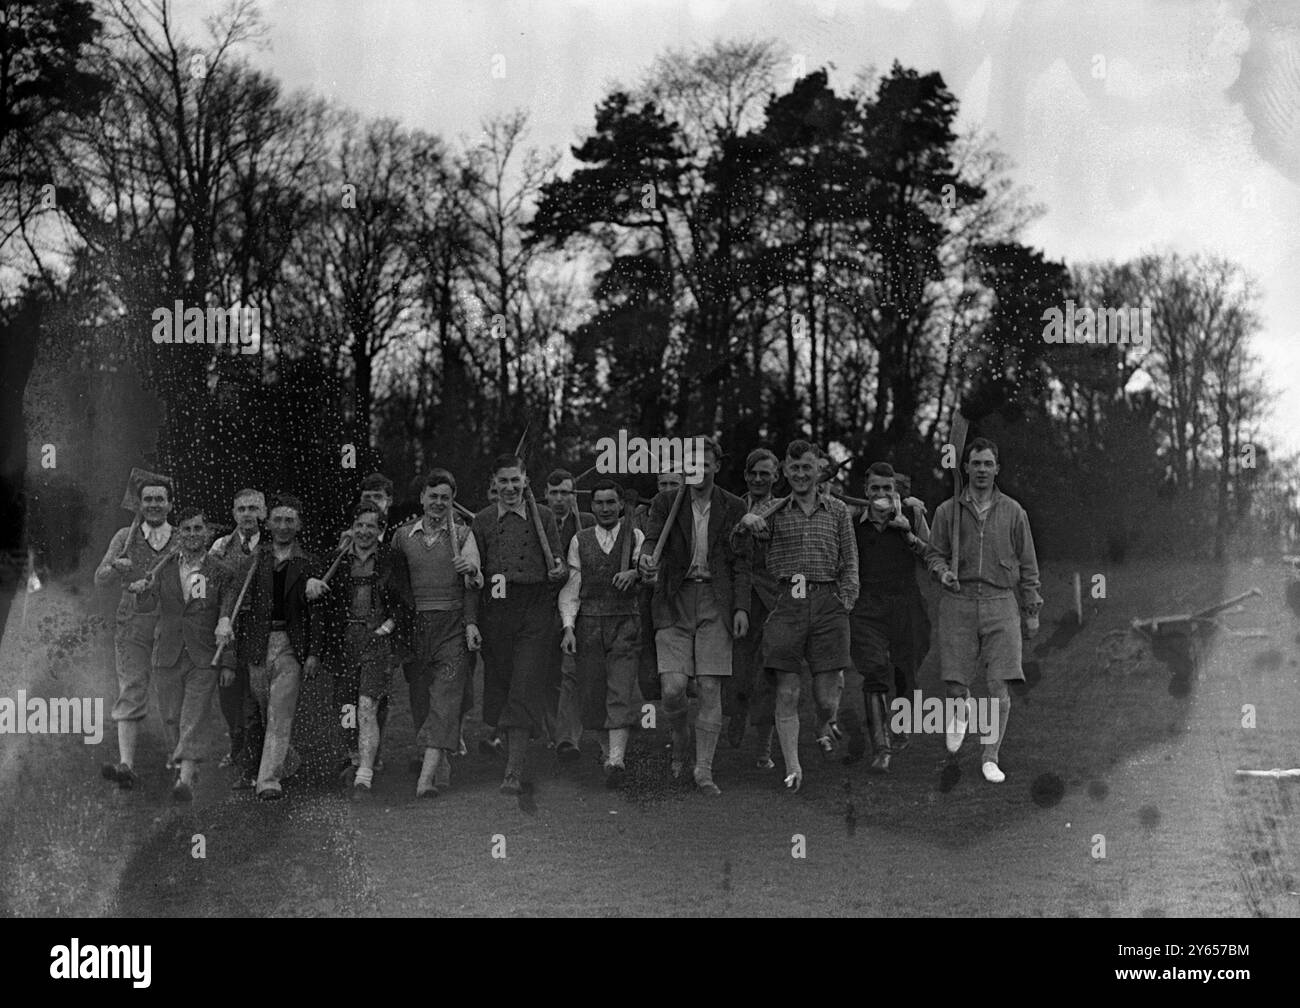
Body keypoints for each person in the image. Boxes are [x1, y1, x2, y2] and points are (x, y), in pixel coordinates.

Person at [735, 440, 858, 792]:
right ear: (785, 472)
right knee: (786, 692)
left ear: (818, 470)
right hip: (787, 603)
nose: (801, 475)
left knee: (825, 698)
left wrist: (846, 600)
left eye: (807, 468)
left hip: (827, 601)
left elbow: (850, 561)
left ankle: (824, 723)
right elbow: (739, 546)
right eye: (794, 469)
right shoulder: (773, 510)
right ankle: (793, 767)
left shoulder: (836, 510)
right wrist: (746, 523)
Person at [924, 437, 1042, 784]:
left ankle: (990, 756)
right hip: (958, 603)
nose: (982, 470)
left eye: (988, 464)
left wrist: (1031, 608)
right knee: (956, 685)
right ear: (966, 468)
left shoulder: (1014, 512)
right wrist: (942, 571)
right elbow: (934, 554)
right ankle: (963, 709)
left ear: (997, 469)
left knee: (999, 685)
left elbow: (1029, 564)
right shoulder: (948, 511)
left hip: (1001, 601)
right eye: (976, 464)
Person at [639, 437, 750, 795]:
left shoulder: (732, 506)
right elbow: (651, 539)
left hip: (716, 601)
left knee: (709, 686)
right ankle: (679, 734)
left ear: (716, 466)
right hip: (674, 598)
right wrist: (645, 558)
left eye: (705, 464)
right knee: (672, 689)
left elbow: (742, 563)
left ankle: (703, 770)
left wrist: (741, 608)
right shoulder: (666, 501)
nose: (697, 470)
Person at [472, 454, 567, 794]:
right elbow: (475, 579)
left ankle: (514, 771)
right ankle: (513, 738)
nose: (510, 487)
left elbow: (558, 562)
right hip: (497, 611)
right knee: (504, 685)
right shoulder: (482, 522)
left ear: (526, 481)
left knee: (525, 682)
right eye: (503, 481)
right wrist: (473, 621)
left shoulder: (542, 516)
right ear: (493, 484)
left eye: (516, 480)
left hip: (536, 610)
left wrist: (559, 571)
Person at [219, 495, 322, 801]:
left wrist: (314, 652)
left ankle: (268, 780)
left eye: (290, 520)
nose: (283, 526)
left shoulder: (308, 562)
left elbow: (316, 615)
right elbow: (234, 593)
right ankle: (283, 758)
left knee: (280, 709)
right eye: (277, 519)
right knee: (265, 710)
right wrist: (225, 620)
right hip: (258, 643)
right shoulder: (256, 559)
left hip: (291, 645)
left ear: (299, 524)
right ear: (268, 522)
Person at [389, 471, 483, 798]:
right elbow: (393, 584)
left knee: (445, 696)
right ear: (422, 499)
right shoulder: (402, 536)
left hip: (452, 627)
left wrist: (471, 569)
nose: (439, 503)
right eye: (433, 496)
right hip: (415, 628)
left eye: (446, 497)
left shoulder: (464, 534)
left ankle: (425, 778)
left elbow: (474, 579)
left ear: (453, 501)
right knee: (420, 696)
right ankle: (437, 757)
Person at [558, 479, 645, 787]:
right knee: (592, 694)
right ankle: (609, 756)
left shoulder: (635, 535)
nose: (606, 508)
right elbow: (572, 588)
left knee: (620, 689)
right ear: (591, 506)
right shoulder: (580, 540)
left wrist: (634, 572)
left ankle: (617, 759)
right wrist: (568, 628)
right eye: (600, 503)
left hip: (625, 621)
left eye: (611, 502)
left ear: (621, 504)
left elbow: (648, 572)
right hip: (589, 625)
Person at [848, 462, 930, 772]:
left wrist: (907, 533)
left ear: (896, 492)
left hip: (906, 605)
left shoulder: (912, 515)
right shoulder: (855, 525)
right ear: (866, 492)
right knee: (874, 670)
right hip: (867, 607)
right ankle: (881, 748)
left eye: (887, 488)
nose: (881, 494)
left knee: (905, 670)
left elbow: (932, 555)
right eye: (875, 489)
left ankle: (900, 725)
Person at [94, 478, 175, 789]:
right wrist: (117, 566)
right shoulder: (124, 537)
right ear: (139, 504)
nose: (153, 504)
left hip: (170, 624)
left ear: (169, 505)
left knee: (171, 691)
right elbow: (100, 579)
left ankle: (178, 762)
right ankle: (126, 764)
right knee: (131, 689)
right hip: (132, 623)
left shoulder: (181, 538)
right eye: (148, 499)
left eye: (160, 499)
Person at [150, 507, 235, 801]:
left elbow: (229, 612)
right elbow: (146, 604)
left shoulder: (221, 572)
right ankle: (181, 763)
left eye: (198, 529)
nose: (192, 534)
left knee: (193, 714)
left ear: (207, 533)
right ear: (178, 533)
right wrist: (137, 586)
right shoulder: (163, 567)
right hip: (168, 652)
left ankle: (185, 777)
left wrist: (227, 658)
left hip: (204, 654)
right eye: (186, 529)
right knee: (171, 715)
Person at [321, 503, 401, 796]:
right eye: (360, 525)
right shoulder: (338, 560)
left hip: (377, 639)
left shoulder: (390, 560)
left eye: (371, 526)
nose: (365, 531)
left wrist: (385, 630)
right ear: (351, 528)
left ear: (380, 530)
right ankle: (353, 757)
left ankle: (364, 775)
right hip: (345, 640)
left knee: (368, 705)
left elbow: (404, 603)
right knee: (346, 706)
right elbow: (323, 600)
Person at [727, 448, 779, 768]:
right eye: (753, 473)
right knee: (738, 670)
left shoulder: (785, 509)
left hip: (774, 599)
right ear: (746, 476)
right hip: (738, 598)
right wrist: (740, 526)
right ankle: (736, 715)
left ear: (776, 477)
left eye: (766, 473)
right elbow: (726, 550)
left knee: (769, 674)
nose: (759, 479)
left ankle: (764, 746)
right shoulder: (734, 507)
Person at [210, 488, 266, 771]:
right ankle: (236, 741)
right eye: (242, 508)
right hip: (228, 625)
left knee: (255, 693)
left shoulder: (269, 546)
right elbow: (213, 591)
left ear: (263, 513)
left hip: (260, 627)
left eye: (254, 508)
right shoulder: (221, 547)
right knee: (228, 689)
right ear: (233, 513)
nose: (248, 514)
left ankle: (252, 751)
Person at [545, 468, 595, 760]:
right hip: (542, 609)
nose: (560, 499)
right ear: (545, 495)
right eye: (554, 493)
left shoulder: (587, 523)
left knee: (571, 672)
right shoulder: (538, 521)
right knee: (547, 673)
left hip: (579, 608)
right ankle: (555, 731)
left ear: (575, 496)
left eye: (566, 492)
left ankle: (568, 738)